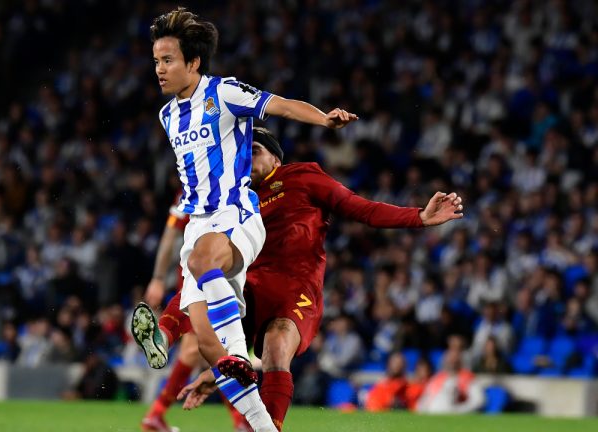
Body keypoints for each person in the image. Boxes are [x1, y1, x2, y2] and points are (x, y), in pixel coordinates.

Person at [131, 8, 357, 432]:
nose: (159, 69)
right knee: (210, 348)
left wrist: (324, 117)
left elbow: (281, 105)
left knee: (202, 264)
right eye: (156, 61)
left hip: (236, 215)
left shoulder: (225, 93)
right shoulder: (167, 116)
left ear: (193, 62)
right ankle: (262, 425)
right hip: (198, 224)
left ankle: (225, 347)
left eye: (168, 60)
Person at [159, 127, 464, 429]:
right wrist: (216, 373)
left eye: (254, 151)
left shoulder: (302, 177)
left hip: (295, 289)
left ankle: (270, 426)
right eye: (241, 153)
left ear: (276, 160)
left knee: (277, 347)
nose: (245, 158)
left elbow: (361, 208)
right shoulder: (231, 198)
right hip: (249, 287)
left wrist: (418, 216)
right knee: (200, 277)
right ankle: (161, 336)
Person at [141, 195, 248, 431]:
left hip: (193, 277)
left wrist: (158, 279)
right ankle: (242, 421)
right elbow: (170, 235)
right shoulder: (229, 183)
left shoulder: (189, 190)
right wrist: (158, 279)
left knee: (200, 352)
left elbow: (170, 234)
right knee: (216, 349)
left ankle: (155, 415)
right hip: (212, 277)